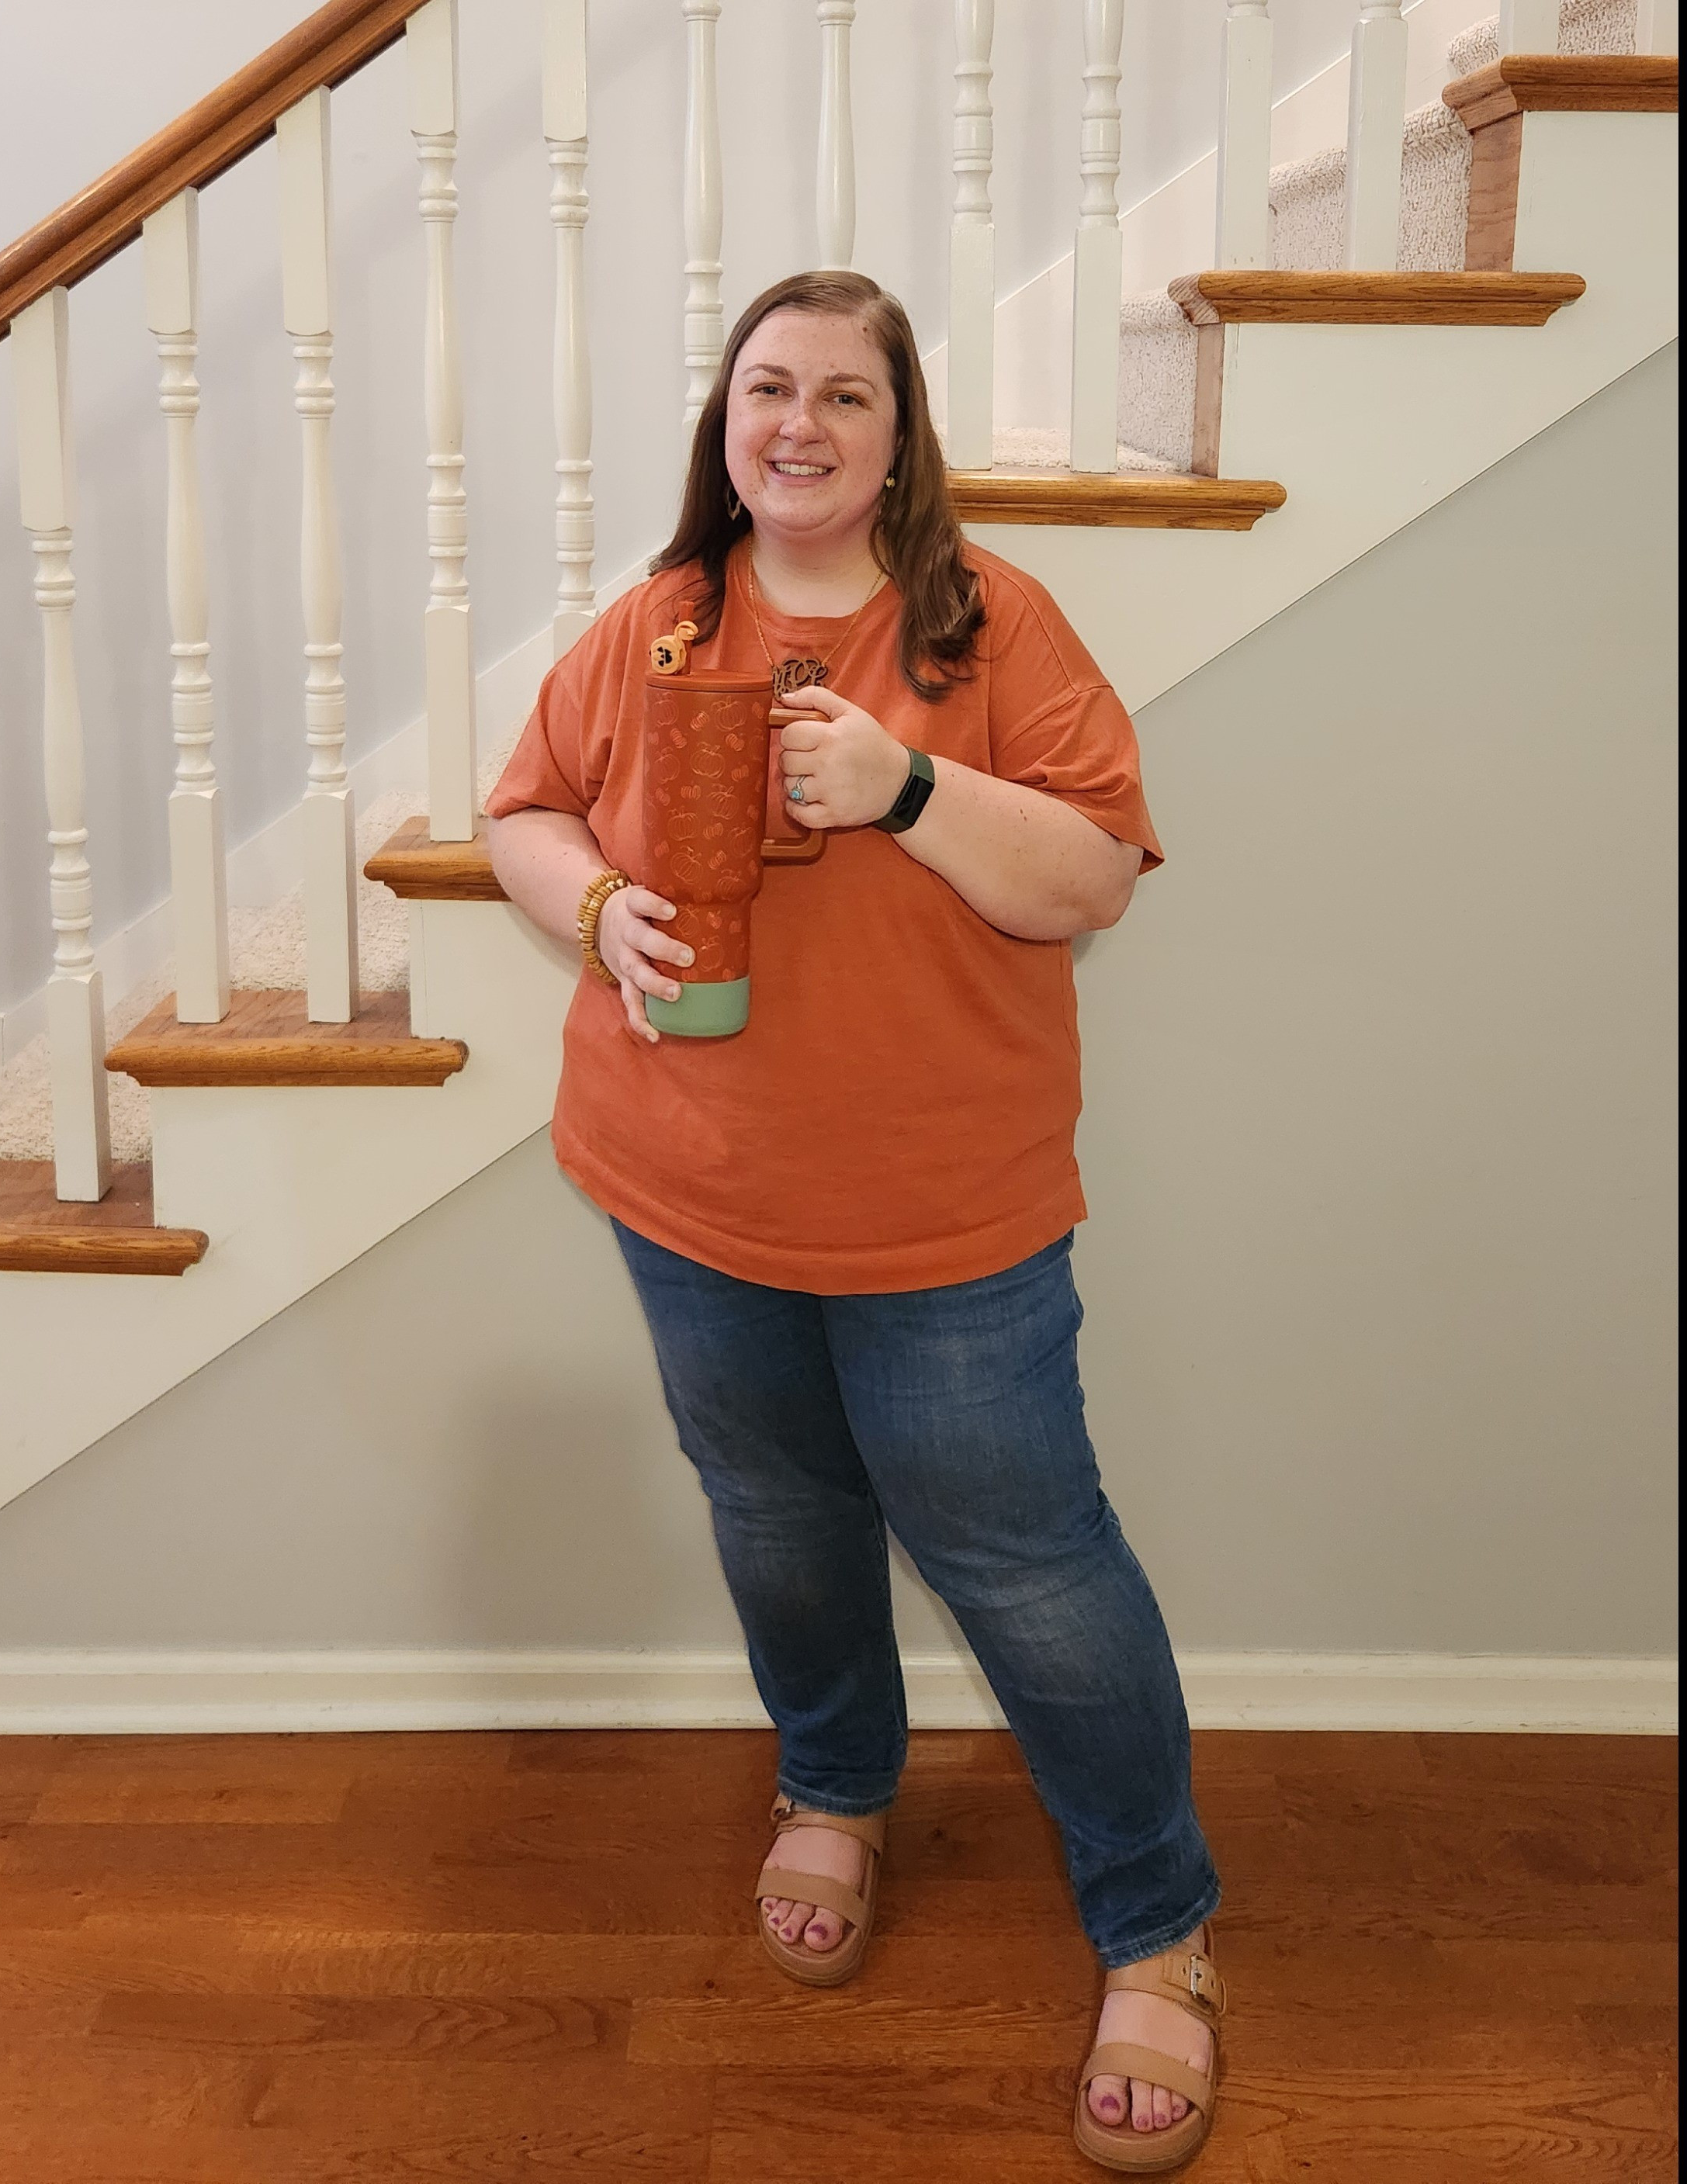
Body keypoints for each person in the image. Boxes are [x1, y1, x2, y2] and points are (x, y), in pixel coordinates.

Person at [486, 268, 1226, 2172]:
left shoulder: (989, 625)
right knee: (781, 1524)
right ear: (721, 424)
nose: (797, 425)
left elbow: (1089, 881)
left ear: (902, 440)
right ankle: (834, 1786)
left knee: (1035, 1574)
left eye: (843, 396)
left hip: (945, 1228)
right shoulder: (655, 626)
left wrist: (901, 780)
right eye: (766, 390)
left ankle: (1155, 1924)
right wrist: (594, 911)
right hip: (686, 1190)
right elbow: (524, 812)